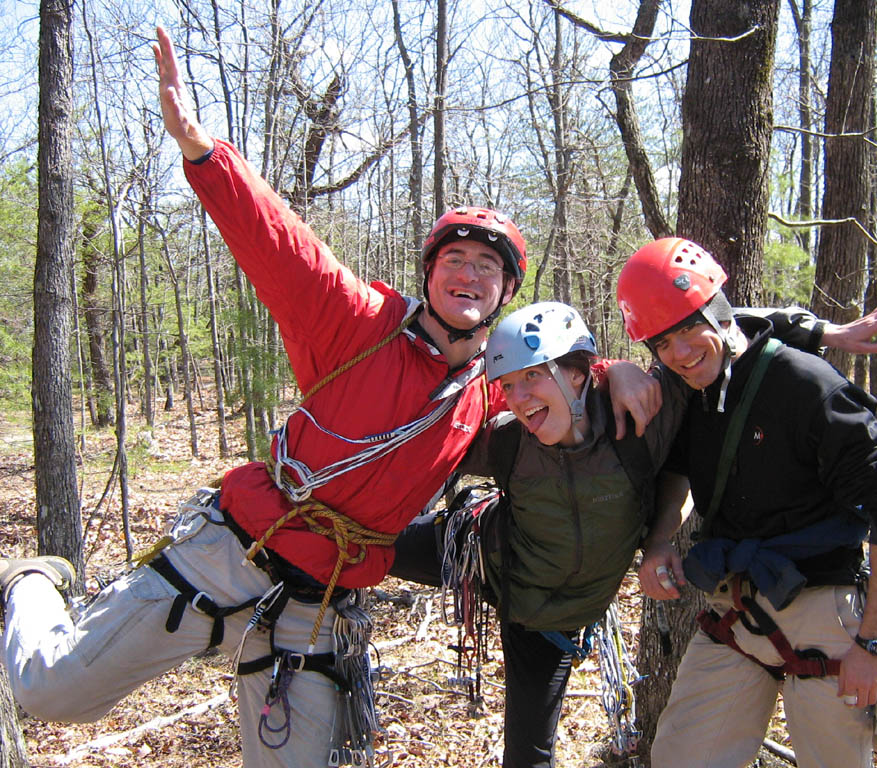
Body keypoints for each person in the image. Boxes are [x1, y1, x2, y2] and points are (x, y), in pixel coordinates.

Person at [0, 28, 658, 768]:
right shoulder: (358, 325)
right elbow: (278, 242)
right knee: (52, 691)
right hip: (232, 550)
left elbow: (555, 393)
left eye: (487, 267)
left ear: (508, 292)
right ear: (430, 272)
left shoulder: (485, 396)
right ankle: (27, 580)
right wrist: (202, 152)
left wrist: (617, 368)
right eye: (454, 260)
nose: (467, 275)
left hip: (317, 609)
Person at [390, 298, 877, 768]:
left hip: (548, 623)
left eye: (531, 378)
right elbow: (417, 435)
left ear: (575, 375)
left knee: (527, 756)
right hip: (486, 558)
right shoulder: (504, 440)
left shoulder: (642, 420)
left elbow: (711, 329)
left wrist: (822, 332)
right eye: (507, 385)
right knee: (361, 546)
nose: (518, 399)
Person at [618, 238, 877, 768]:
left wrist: (873, 645)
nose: (681, 353)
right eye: (663, 343)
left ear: (720, 313)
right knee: (680, 758)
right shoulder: (695, 392)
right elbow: (680, 469)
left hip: (828, 613)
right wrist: (660, 541)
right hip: (736, 612)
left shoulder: (808, 386)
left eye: (690, 329)